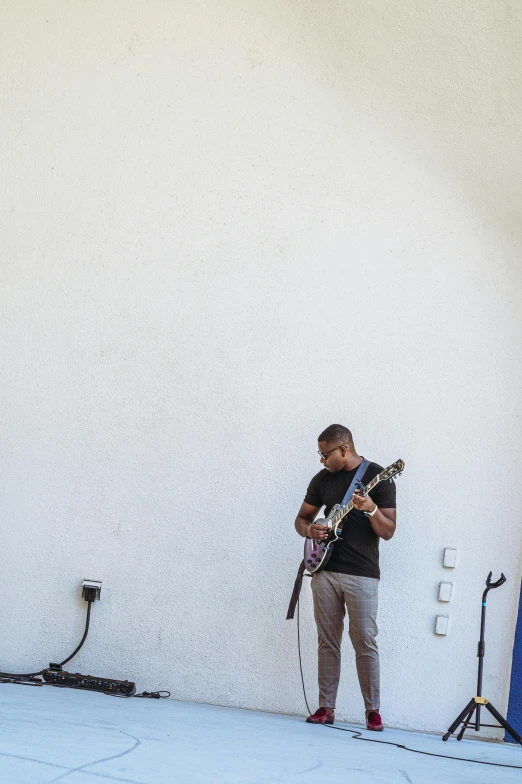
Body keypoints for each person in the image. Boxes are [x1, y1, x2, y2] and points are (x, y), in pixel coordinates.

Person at [294, 424, 396, 730]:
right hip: (324, 571)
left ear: (343, 449)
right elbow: (301, 519)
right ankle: (326, 707)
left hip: (362, 573)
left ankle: (373, 711)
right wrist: (310, 530)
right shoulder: (321, 480)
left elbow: (388, 531)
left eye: (325, 454)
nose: (322, 460)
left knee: (364, 639)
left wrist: (371, 508)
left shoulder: (379, 477)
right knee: (327, 641)